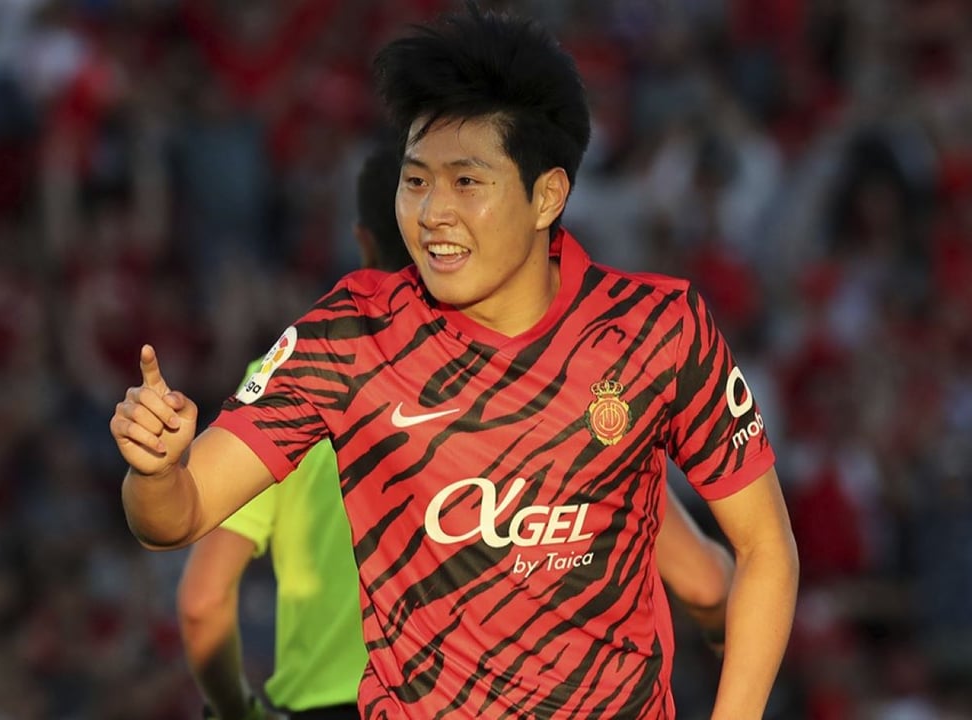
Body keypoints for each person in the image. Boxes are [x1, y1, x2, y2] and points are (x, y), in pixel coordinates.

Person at [112, 6, 798, 719]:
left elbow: (765, 549)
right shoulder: (350, 337)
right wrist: (154, 472)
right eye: (415, 181)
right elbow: (177, 518)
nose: (433, 212)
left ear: (547, 195)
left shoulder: (657, 329)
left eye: (466, 182)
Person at [175, 142, 412, 720]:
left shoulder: (286, 378)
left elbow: (203, 601)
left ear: (363, 243)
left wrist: (238, 712)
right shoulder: (513, 376)